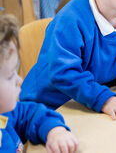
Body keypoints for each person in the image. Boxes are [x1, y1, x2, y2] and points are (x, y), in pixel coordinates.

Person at [0, 14, 78, 152]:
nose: (19, 80)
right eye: (11, 75)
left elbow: (30, 114)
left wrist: (54, 131)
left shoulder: (5, 113)